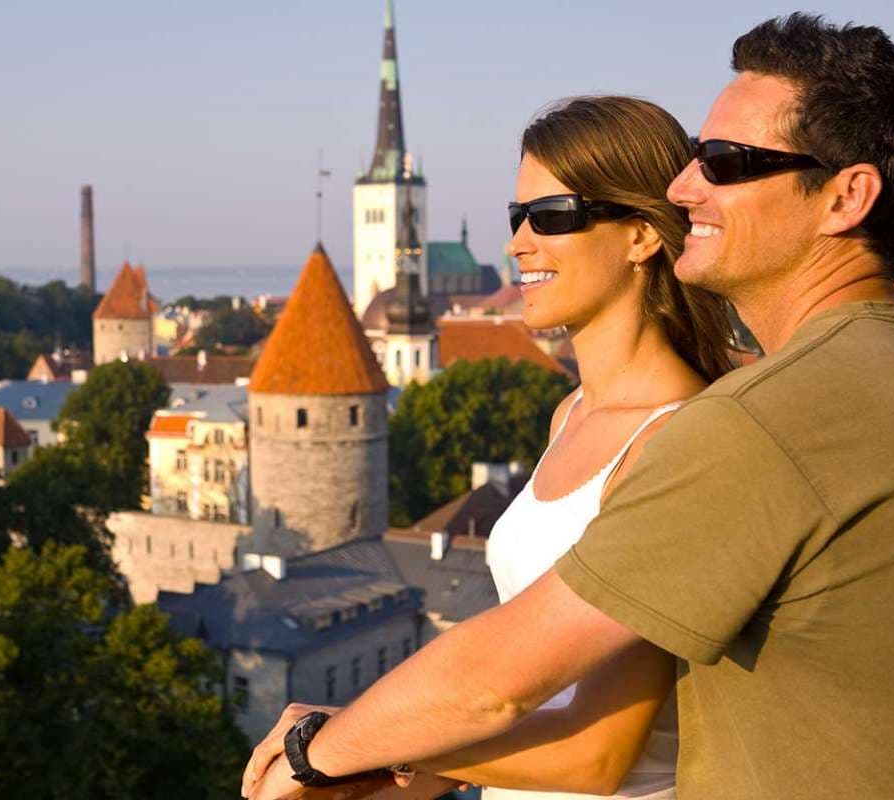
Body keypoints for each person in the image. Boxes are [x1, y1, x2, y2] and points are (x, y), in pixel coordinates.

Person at [244, 12, 894, 800]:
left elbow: (503, 687)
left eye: (724, 162)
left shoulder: (770, 418)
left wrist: (322, 748)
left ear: (846, 196)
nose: (685, 190)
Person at [242, 95, 737, 799]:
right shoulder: (570, 412)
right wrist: (371, 785)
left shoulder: (677, 437)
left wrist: (353, 747)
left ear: (641, 234)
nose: (517, 244)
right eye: (517, 217)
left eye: (553, 216)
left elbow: (593, 755)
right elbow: (528, 710)